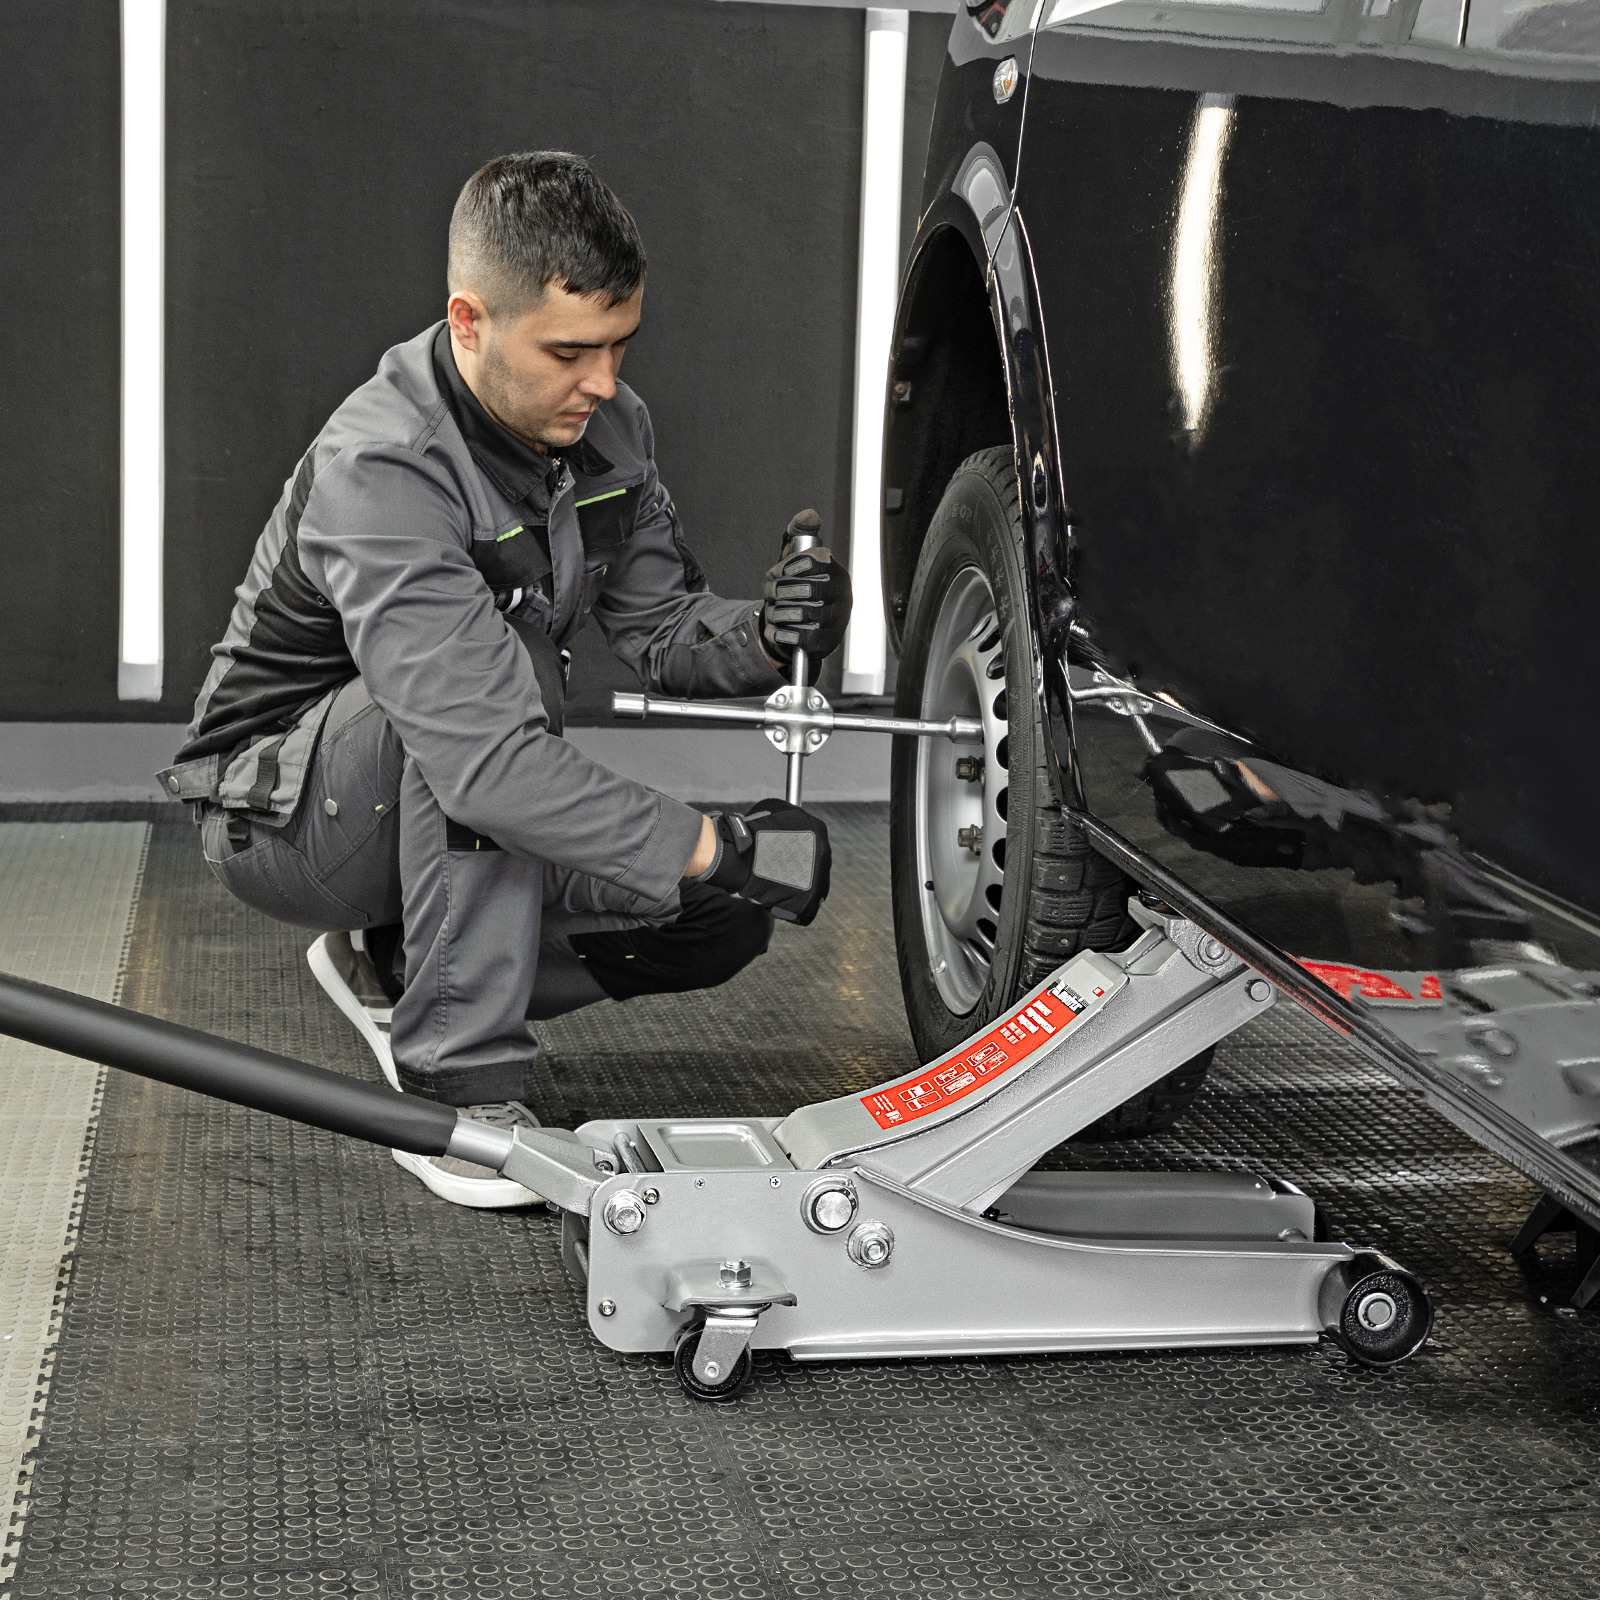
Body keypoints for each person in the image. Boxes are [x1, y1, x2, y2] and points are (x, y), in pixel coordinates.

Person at [158, 152, 851, 1208]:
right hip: (280, 819)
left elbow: (661, 626)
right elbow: (481, 763)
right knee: (502, 691)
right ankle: (458, 1096)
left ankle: (401, 966)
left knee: (716, 913)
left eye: (619, 345)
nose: (604, 382)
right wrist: (721, 842)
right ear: (469, 322)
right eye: (569, 352)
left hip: (453, 780)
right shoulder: (385, 464)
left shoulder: (607, 426)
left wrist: (768, 635)